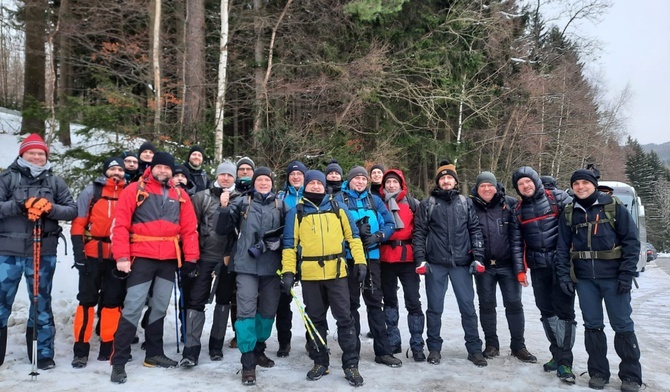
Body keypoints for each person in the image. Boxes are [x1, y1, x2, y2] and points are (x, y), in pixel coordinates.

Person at [109, 151, 199, 384]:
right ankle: (119, 361)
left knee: (159, 307)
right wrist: (121, 256)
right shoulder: (135, 190)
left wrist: (191, 258)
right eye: (159, 167)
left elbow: (189, 229)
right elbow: (120, 226)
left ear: (171, 171)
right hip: (141, 257)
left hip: (168, 259)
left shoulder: (180, 194)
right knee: (133, 307)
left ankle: (153, 354)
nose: (163, 171)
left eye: (167, 169)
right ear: (152, 168)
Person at [556, 169, 642, 392]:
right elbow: (562, 248)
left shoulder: (613, 207)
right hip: (585, 280)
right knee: (592, 326)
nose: (580, 187)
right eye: (576, 183)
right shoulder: (569, 212)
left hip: (614, 279)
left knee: (622, 326)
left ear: (594, 184)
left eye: (585, 182)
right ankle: (598, 373)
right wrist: (564, 275)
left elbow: (632, 243)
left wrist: (626, 274)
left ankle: (631, 376)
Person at [281, 170, 367, 386]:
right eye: (312, 183)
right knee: (315, 320)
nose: (316, 186)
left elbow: (353, 237)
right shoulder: (296, 212)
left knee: (345, 319)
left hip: (337, 273)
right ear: (306, 186)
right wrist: (288, 272)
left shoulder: (338, 208)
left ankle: (351, 365)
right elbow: (289, 246)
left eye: (320, 183)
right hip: (310, 275)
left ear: (325, 186)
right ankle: (321, 361)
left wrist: (360, 261)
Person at [0, 133, 77, 369]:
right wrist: (21, 205)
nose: (36, 157)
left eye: (40, 153)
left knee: (41, 302)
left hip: (43, 250)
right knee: (2, 301)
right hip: (8, 251)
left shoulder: (55, 182)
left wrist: (49, 208)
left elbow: (72, 210)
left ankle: (42, 353)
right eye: (31, 152)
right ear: (22, 154)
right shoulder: (7, 179)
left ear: (46, 157)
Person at [412, 160, 487, 367]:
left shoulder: (466, 203)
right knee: (435, 308)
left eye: (449, 178)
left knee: (468, 307)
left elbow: (475, 230)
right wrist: (420, 259)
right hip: (435, 264)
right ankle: (434, 348)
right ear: (438, 182)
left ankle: (474, 349)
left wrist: (478, 257)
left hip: (461, 264)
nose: (446, 181)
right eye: (443, 178)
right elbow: (419, 233)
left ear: (455, 181)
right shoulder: (428, 204)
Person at [215, 166, 284, 386]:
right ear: (254, 182)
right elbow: (222, 229)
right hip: (246, 265)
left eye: (267, 180)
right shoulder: (243, 202)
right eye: (259, 180)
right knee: (245, 310)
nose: (263, 183)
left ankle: (258, 349)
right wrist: (224, 209)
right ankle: (248, 363)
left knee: (268, 310)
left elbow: (290, 234)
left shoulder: (280, 205)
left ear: (272, 183)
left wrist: (280, 243)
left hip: (272, 267)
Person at [511, 166, 575, 382]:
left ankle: (566, 363)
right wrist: (520, 270)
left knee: (564, 313)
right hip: (538, 267)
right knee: (546, 312)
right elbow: (517, 242)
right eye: (520, 184)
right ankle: (556, 355)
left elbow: (575, 229)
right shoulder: (518, 210)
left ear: (536, 181)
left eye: (528, 181)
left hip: (561, 265)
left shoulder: (558, 198)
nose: (525, 186)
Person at [334, 166, 401, 368]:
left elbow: (389, 224)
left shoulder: (375, 200)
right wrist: (353, 235)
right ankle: (352, 350)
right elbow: (332, 228)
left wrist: (377, 237)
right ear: (350, 180)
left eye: (364, 178)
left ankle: (383, 351)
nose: (361, 182)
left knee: (374, 303)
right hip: (349, 257)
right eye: (357, 178)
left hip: (371, 257)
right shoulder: (339, 199)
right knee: (351, 304)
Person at [469, 171, 536, 363]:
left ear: (496, 186)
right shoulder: (471, 206)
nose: (487, 189)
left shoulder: (510, 204)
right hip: (484, 266)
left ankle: (518, 346)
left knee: (514, 304)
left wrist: (522, 266)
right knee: (487, 305)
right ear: (478, 188)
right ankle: (491, 344)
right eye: (483, 186)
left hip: (508, 265)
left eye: (490, 185)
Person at [179, 160, 239, 366]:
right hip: (205, 257)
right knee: (196, 301)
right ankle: (191, 349)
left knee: (223, 301)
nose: (225, 178)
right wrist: (192, 257)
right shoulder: (201, 197)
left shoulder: (239, 199)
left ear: (234, 178)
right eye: (222, 174)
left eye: (230, 175)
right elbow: (190, 228)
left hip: (227, 259)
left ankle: (216, 346)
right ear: (217, 176)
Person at [70, 156, 128, 368]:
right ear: (105, 172)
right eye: (112, 169)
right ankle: (81, 349)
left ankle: (107, 346)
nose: (116, 173)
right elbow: (78, 223)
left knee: (113, 302)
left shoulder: (129, 192)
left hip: (117, 256)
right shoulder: (91, 192)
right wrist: (79, 255)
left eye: (120, 170)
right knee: (86, 301)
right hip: (92, 253)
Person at [378, 169, 426, 361]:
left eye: (394, 182)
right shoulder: (379, 204)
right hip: (386, 258)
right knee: (389, 301)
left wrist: (421, 255)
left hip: (408, 259)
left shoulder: (413, 204)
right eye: (388, 182)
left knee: (413, 301)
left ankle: (417, 344)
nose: (391, 185)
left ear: (401, 184)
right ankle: (393, 340)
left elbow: (420, 230)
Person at [275, 160, 307, 357]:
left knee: (314, 301)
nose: (296, 177)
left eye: (299, 174)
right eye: (292, 174)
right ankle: (284, 341)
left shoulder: (313, 196)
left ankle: (313, 341)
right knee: (283, 299)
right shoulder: (280, 197)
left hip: (309, 255)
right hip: (285, 252)